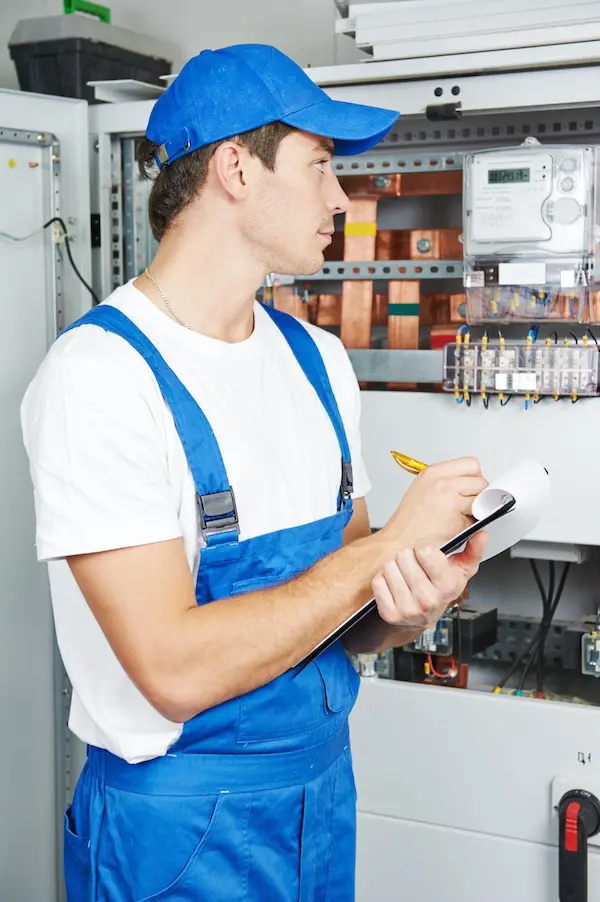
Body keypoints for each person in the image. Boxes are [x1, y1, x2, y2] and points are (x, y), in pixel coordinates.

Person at [21, 43, 487, 902]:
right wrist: (383, 547)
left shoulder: (317, 360)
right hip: (177, 837)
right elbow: (174, 670)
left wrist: (410, 596)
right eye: (318, 166)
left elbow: (344, 622)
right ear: (236, 167)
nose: (340, 199)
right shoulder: (101, 378)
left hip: (319, 798)